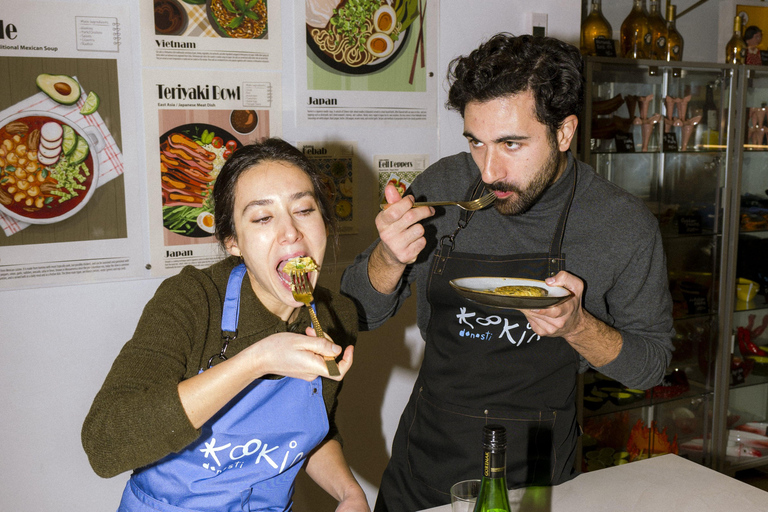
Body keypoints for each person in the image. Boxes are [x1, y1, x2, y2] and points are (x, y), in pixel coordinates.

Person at [340, 33, 674, 511]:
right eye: (476, 141)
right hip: (423, 466)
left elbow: (650, 366)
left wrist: (579, 327)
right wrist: (389, 259)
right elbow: (356, 312)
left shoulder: (621, 225)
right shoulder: (446, 186)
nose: (490, 169)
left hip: (536, 481)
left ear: (564, 132)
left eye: (511, 143)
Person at [82, 139, 370, 512]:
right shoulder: (193, 300)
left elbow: (309, 434)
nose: (291, 233)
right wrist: (256, 361)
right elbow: (105, 444)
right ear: (232, 241)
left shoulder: (335, 318)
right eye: (263, 217)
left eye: (303, 209)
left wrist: (349, 491)